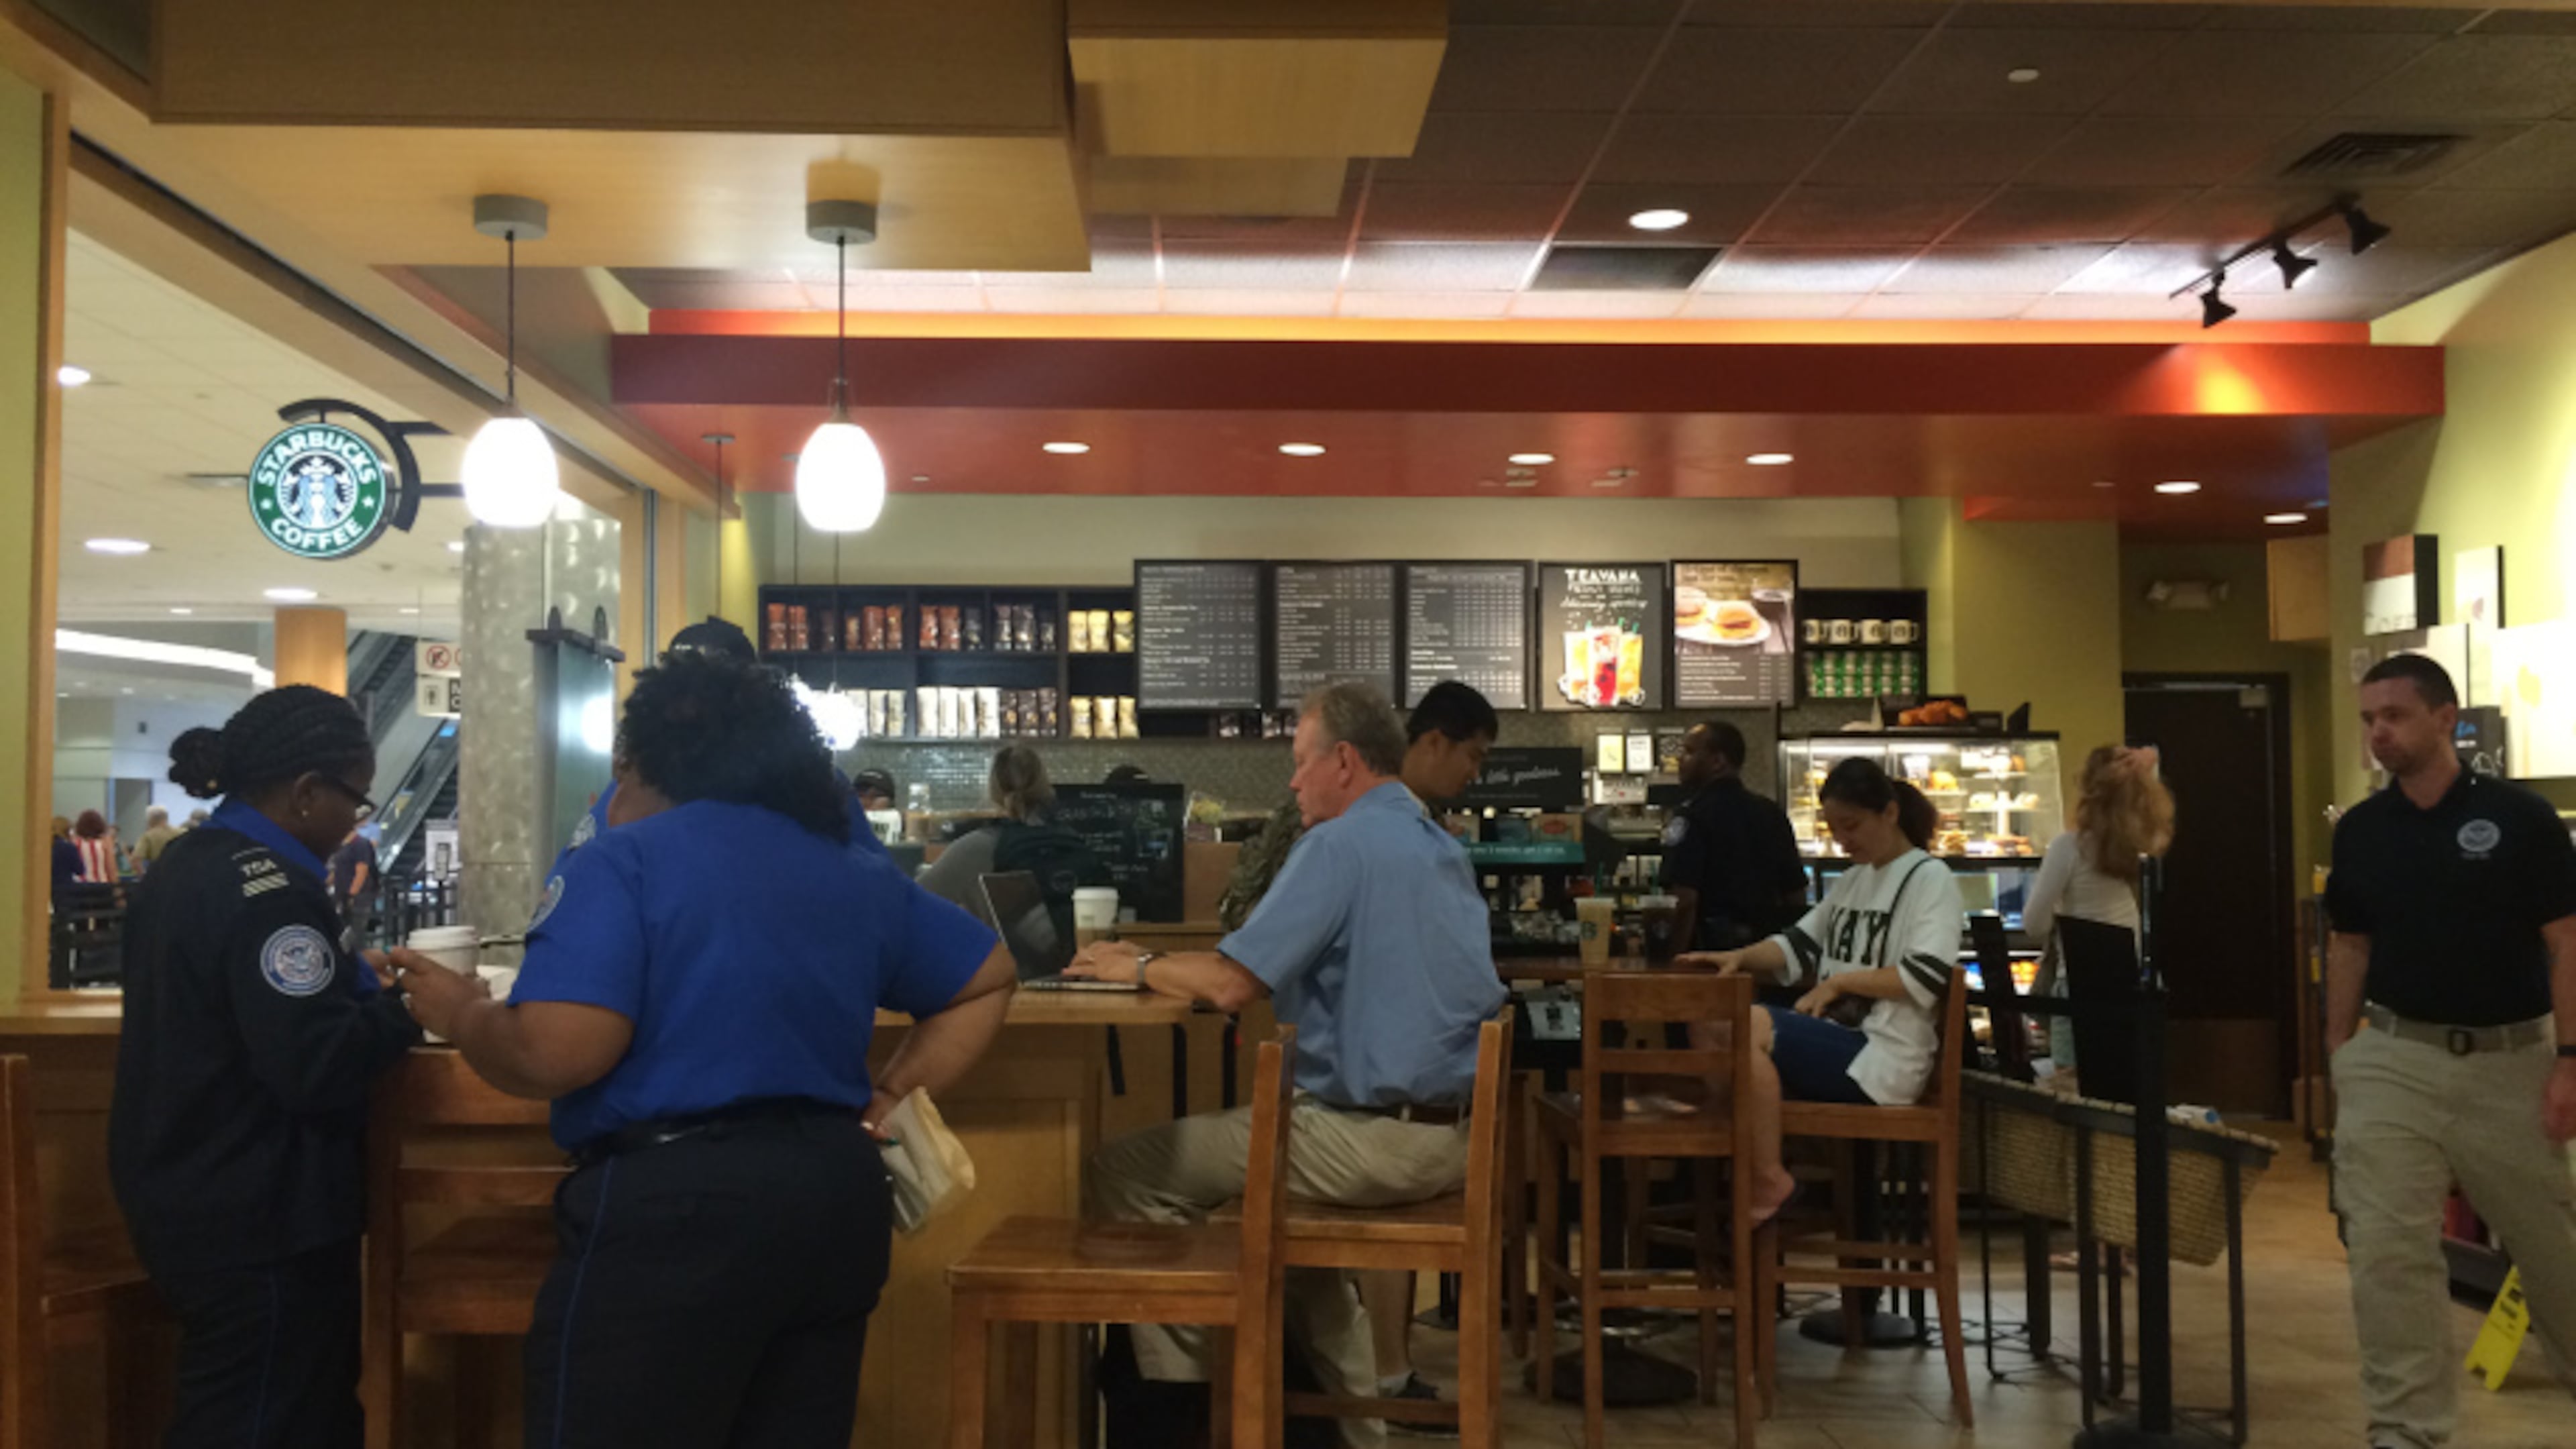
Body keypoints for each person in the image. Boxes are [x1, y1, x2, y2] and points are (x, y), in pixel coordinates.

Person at [396, 650, 1017, 1449]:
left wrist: (462, 1014)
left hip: (676, 1211)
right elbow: (988, 977)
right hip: (833, 1203)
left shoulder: (625, 859)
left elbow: (559, 1051)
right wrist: (890, 1097)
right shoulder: (848, 867)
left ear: (638, 761)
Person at [1065, 682, 1506, 1449]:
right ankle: (1355, 1433)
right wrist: (1164, 963)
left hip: (1375, 1142)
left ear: (1343, 760)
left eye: (1301, 764)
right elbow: (1247, 961)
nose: (1293, 783)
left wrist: (1135, 964)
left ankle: (1181, 1411)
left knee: (1127, 1168)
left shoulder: (1337, 846)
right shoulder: (1438, 843)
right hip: (1452, 1140)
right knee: (1289, 1241)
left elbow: (1234, 985)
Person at [108, 686, 423, 1447]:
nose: (359, 818)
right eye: (357, 798)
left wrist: (352, 984)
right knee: (265, 1416)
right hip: (260, 1211)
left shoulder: (189, 864)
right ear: (308, 792)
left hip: (188, 1185)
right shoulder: (274, 895)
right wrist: (411, 1011)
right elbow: (316, 1064)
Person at [2323, 653, 2576, 1449]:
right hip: (2396, 1054)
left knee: (2551, 1250)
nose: (2378, 734)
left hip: (2511, 1059)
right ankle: (2407, 1430)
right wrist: (2339, 1053)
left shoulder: (2521, 820)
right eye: (2368, 720)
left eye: (2393, 717)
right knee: (2387, 1253)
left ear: (2446, 718)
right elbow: (2350, 946)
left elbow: (2567, 943)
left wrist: (2571, 1057)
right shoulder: (2363, 830)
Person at [1676, 756, 1961, 1223]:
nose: (1843, 840)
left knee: (1745, 1026)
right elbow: (1797, 946)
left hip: (1883, 1055)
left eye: (1852, 826)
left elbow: (1925, 975)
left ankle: (1769, 1175)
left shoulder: (1929, 879)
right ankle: (1753, 1156)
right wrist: (1739, 958)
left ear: (1889, 813)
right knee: (1708, 1021)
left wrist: (1842, 981)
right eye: (1834, 829)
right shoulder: (1855, 880)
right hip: (1841, 1040)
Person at [1218, 680, 1499, 932]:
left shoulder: (1430, 826)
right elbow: (1244, 910)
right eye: (1473, 757)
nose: (1475, 773)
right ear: (1435, 742)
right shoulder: (1320, 809)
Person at [2025, 745, 2175, 1079]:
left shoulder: (2069, 847)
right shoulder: (2144, 844)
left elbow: (2033, 924)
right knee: (2126, 1084)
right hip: (2132, 979)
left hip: (2078, 983)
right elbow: (2159, 820)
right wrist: (2149, 769)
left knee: (2075, 1087)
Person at [1659, 720, 1809, 955]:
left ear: (1718, 761)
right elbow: (1795, 895)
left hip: (1711, 952)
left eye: (1689, 752)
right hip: (1765, 953)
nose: (1679, 759)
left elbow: (1685, 899)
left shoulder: (1691, 816)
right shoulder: (1771, 812)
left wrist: (1673, 960)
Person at [915, 743, 1088, 928]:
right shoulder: (1075, 840)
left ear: (993, 791)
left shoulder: (979, 846)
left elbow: (912, 901)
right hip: (1084, 955)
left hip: (1004, 956)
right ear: (1046, 786)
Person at [328, 823, 378, 936]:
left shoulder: (361, 844)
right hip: (341, 894)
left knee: (355, 932)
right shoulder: (341, 846)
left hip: (358, 898)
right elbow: (337, 870)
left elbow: (362, 871)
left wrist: (352, 895)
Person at [71, 808, 121, 883]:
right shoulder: (105, 842)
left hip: (80, 884)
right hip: (101, 885)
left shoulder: (75, 842)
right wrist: (116, 885)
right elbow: (111, 868)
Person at [133, 805, 184, 872]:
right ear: (166, 818)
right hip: (181, 875)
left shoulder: (148, 836)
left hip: (160, 875)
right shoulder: (183, 833)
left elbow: (136, 861)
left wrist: (145, 878)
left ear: (150, 820)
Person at [48, 815, 80, 902]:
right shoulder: (68, 847)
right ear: (68, 831)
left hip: (47, 889)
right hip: (66, 891)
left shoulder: (45, 847)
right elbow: (80, 870)